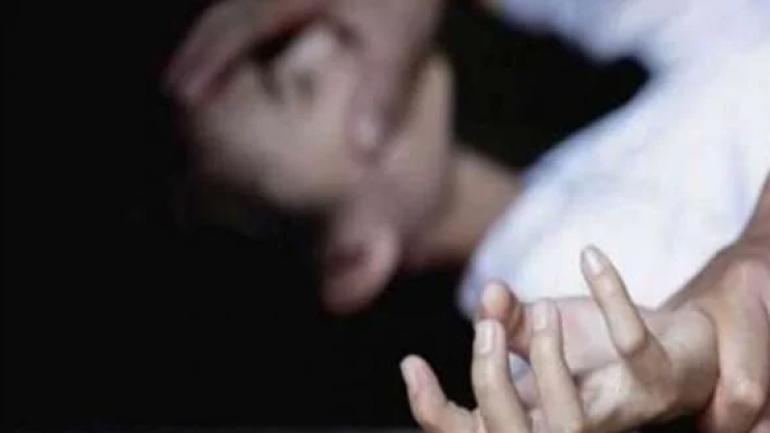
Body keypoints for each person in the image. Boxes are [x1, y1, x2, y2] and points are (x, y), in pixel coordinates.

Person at [166, 1, 770, 432]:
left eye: (297, 37)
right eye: (301, 87)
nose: (329, 39)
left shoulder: (577, 172)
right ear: (355, 259)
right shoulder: (558, 298)